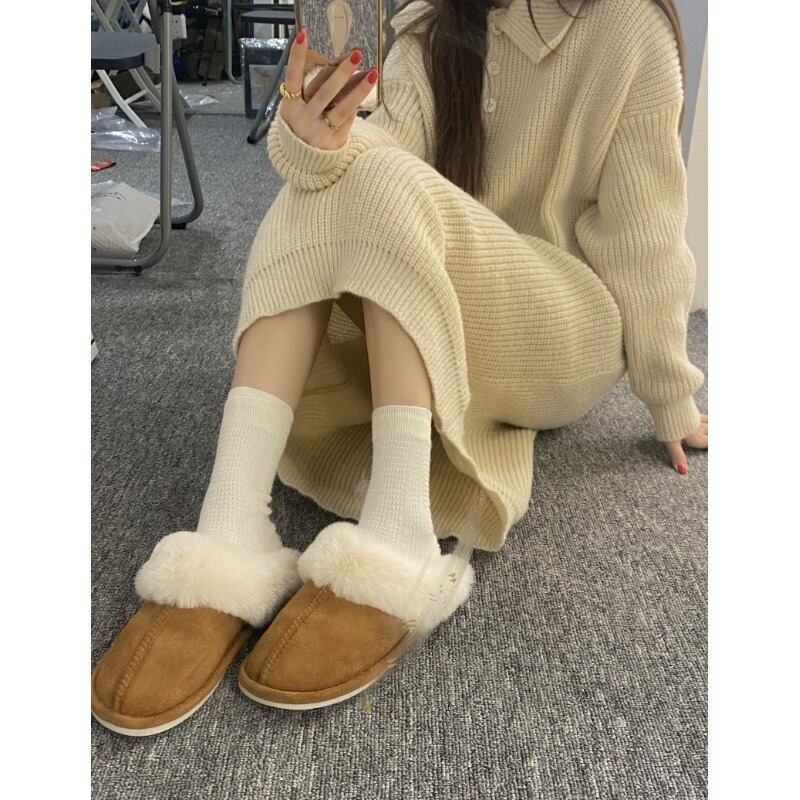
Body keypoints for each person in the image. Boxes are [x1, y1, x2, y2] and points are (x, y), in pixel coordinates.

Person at [92, 0, 708, 735]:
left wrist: (671, 393)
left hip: (568, 326)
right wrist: (315, 140)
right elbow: (380, 152)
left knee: (375, 177)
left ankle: (399, 530)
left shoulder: (630, 27)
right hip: (446, 301)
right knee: (330, 180)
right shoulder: (433, 23)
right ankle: (229, 526)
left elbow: (646, 237)